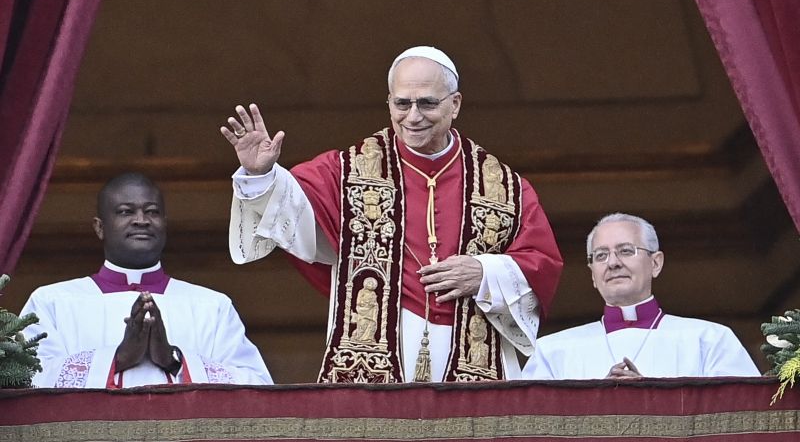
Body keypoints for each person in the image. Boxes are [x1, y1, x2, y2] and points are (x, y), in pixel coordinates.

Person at [221, 46, 563, 382]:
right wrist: (261, 174)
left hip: (474, 354)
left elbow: (542, 262)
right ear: (389, 103)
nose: (413, 116)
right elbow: (295, 217)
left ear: (455, 104)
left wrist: (485, 273)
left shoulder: (504, 187)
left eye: (427, 103)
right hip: (377, 351)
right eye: (402, 103)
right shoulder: (347, 170)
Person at [21, 172, 272, 388]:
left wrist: (174, 361)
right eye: (125, 211)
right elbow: (26, 380)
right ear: (100, 227)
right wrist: (116, 359)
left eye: (152, 211)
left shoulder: (212, 306)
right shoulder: (51, 302)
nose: (141, 220)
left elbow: (256, 386)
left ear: (165, 224)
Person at [523, 213, 759, 379]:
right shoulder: (551, 352)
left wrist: (650, 403)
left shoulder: (710, 340)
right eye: (601, 255)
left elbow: (741, 423)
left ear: (655, 263)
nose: (613, 263)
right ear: (593, 275)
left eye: (626, 251)